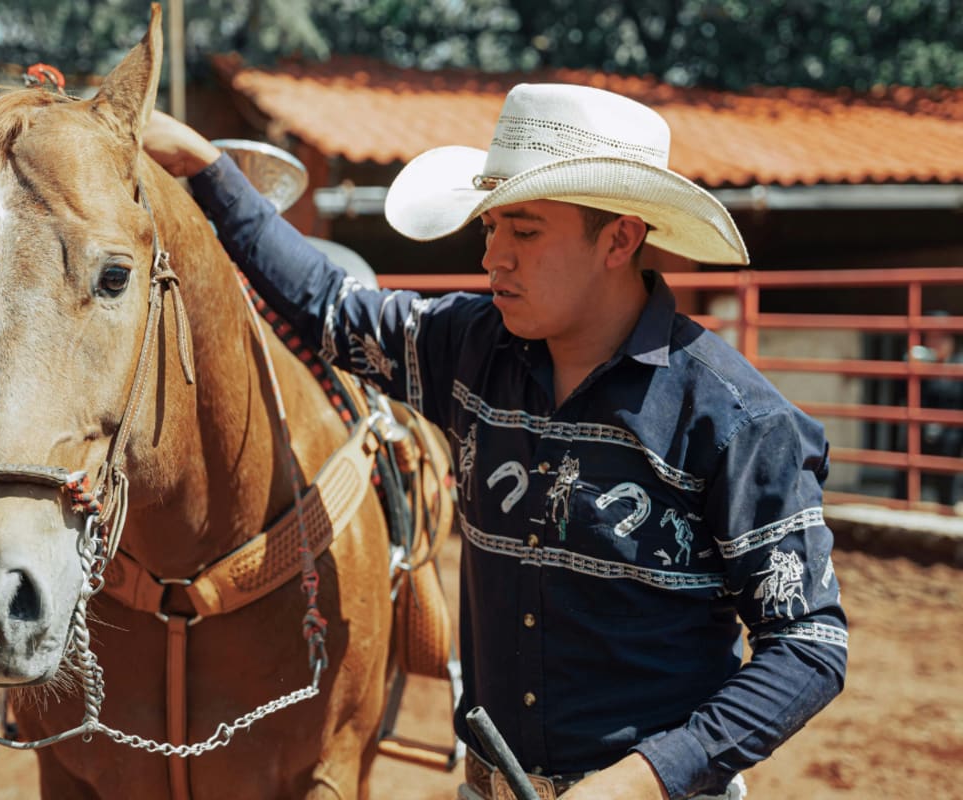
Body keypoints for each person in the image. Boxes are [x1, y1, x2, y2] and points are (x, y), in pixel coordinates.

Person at [144, 83, 847, 800]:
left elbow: (809, 646)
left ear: (620, 238)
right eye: (491, 228)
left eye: (525, 230)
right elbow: (327, 305)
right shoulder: (469, 347)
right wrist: (207, 168)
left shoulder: (735, 421)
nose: (494, 257)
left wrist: (645, 779)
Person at [914, 317, 963, 507]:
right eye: (930, 339)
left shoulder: (959, 364)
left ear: (951, 341)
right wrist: (914, 370)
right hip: (923, 430)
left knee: (947, 482)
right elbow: (903, 395)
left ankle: (947, 507)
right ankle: (903, 505)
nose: (935, 344)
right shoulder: (922, 365)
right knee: (907, 472)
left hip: (951, 433)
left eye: (940, 339)